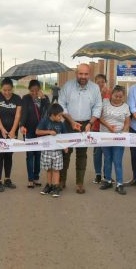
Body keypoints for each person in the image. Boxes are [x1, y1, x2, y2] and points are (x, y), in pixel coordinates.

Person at [58, 63, 102, 194]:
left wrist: (91, 122)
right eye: (81, 73)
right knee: (65, 153)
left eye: (86, 74)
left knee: (82, 155)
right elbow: (61, 104)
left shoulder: (95, 88)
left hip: (86, 125)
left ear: (89, 74)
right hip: (68, 124)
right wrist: (71, 121)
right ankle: (61, 181)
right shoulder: (67, 86)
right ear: (76, 73)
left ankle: (79, 183)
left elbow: (98, 106)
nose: (83, 76)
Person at [0, 77, 22, 192]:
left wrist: (13, 131)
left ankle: (7, 179)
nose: (7, 92)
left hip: (12, 131)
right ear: (1, 89)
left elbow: (18, 116)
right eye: (4, 90)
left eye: (9, 90)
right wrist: (2, 129)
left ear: (12, 89)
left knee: (9, 155)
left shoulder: (17, 98)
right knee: (0, 155)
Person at [99, 86, 130, 195]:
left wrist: (124, 133)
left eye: (120, 97)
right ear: (111, 94)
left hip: (119, 138)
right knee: (107, 159)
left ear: (123, 97)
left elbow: (127, 122)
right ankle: (108, 180)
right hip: (105, 135)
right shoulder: (105, 102)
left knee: (117, 161)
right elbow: (100, 117)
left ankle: (119, 183)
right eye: (115, 96)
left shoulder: (126, 107)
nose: (117, 98)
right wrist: (108, 126)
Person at [20, 80, 50, 188]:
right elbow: (23, 113)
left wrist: (44, 100)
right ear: (29, 90)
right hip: (28, 130)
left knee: (38, 155)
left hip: (41, 131)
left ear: (40, 90)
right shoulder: (25, 98)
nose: (34, 93)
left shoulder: (45, 98)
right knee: (30, 155)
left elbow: (48, 112)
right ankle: (30, 179)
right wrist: (21, 125)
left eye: (36, 90)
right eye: (32, 91)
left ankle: (36, 177)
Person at [36, 103, 67, 198]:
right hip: (46, 150)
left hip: (57, 151)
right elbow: (37, 131)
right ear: (52, 115)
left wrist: (65, 146)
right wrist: (49, 132)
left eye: (61, 115)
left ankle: (56, 187)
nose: (61, 117)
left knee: (56, 170)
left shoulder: (61, 124)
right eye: (59, 115)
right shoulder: (45, 121)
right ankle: (48, 185)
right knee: (49, 169)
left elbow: (64, 136)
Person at [92, 74, 112, 184]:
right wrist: (100, 95)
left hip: (107, 127)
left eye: (102, 82)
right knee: (97, 152)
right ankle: (98, 174)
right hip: (96, 127)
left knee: (108, 153)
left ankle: (107, 174)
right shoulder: (92, 94)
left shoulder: (110, 93)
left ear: (106, 82)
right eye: (98, 82)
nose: (100, 84)